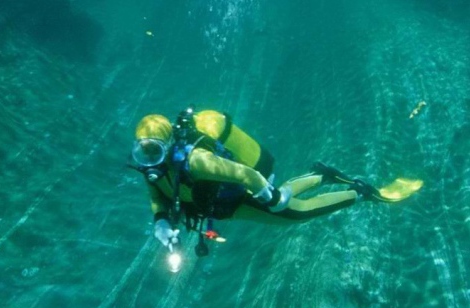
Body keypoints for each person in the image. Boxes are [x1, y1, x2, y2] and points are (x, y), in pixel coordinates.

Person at [129, 108, 421, 255]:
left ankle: (359, 192)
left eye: (154, 150)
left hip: (238, 194)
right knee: (284, 199)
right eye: (142, 151)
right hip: (223, 204)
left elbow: (244, 175)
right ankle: (322, 175)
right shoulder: (153, 169)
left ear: (168, 144)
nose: (149, 158)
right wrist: (160, 222)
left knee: (296, 214)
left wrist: (270, 197)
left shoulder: (196, 161)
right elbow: (157, 194)